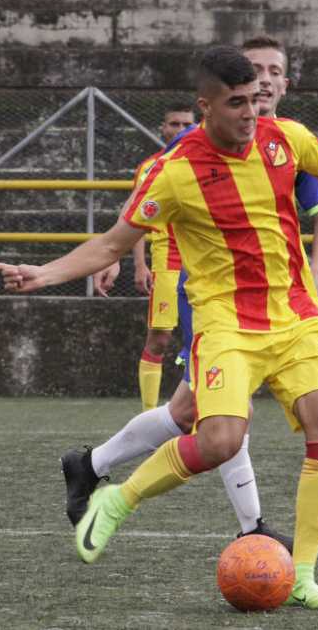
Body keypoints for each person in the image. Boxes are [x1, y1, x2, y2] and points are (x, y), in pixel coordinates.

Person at [0, 45, 318, 611]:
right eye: (237, 103)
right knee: (219, 439)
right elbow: (111, 243)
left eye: (255, 100)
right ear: (206, 107)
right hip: (225, 323)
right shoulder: (176, 173)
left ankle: (303, 573)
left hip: (295, 315)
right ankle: (118, 500)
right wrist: (42, 274)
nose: (251, 113)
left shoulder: (284, 137)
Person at [61, 36, 318, 552]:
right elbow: (132, 217)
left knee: (186, 412)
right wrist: (115, 257)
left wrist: (317, 274)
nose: (266, 84)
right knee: (224, 420)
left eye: (273, 73)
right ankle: (253, 526)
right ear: (209, 103)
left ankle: (92, 464)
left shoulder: (286, 142)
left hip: (281, 308)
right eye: (257, 73)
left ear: (282, 83)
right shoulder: (187, 157)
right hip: (215, 302)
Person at [94, 103, 197, 412]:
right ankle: (149, 415)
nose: (180, 130)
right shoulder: (150, 166)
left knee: (203, 341)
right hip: (167, 261)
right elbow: (135, 218)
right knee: (160, 338)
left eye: (186, 124)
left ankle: (201, 409)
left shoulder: (209, 161)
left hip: (205, 264)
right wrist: (137, 263)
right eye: (174, 124)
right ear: (163, 129)